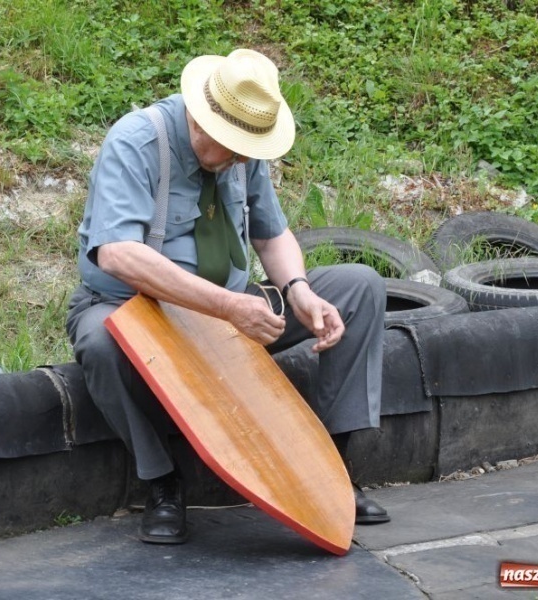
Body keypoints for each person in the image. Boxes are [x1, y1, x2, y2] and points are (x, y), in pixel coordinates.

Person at [66, 49, 388, 545]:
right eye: (232, 148)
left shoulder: (242, 152)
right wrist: (227, 308)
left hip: (229, 308)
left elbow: (271, 234)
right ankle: (161, 483)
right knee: (100, 344)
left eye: (246, 150)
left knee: (358, 287)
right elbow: (116, 255)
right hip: (138, 308)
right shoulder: (136, 142)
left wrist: (298, 292)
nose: (240, 159)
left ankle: (333, 477)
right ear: (199, 118)